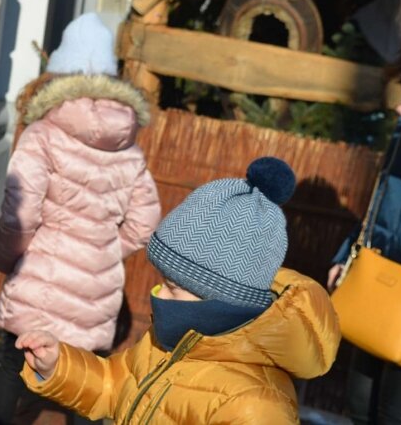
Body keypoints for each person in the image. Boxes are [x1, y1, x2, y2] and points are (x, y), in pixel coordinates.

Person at [18, 158, 341, 424]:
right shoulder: (172, 341)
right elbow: (115, 386)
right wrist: (59, 366)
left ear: (223, 302)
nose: (159, 296)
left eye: (173, 289)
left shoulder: (256, 406)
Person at [0, 13, 162, 424]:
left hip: (39, 280)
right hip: (96, 288)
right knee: (85, 383)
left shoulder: (43, 134)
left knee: (14, 367)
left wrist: (8, 261)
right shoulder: (128, 146)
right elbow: (146, 221)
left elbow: (20, 213)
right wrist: (101, 251)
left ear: (59, 71)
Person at [328, 0, 401, 425]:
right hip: (383, 275)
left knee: (398, 415)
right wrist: (351, 251)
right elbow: (385, 192)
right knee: (361, 406)